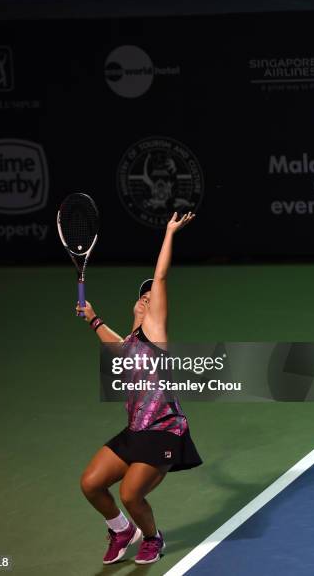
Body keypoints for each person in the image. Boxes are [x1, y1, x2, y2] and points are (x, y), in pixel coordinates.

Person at [77, 211, 203, 565]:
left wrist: (169, 233)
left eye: (153, 296)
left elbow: (160, 275)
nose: (148, 297)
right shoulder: (130, 343)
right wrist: (92, 318)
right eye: (143, 296)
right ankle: (121, 530)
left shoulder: (156, 334)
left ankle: (152, 538)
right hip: (136, 431)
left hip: (164, 429)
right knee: (91, 483)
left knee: (132, 494)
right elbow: (114, 343)